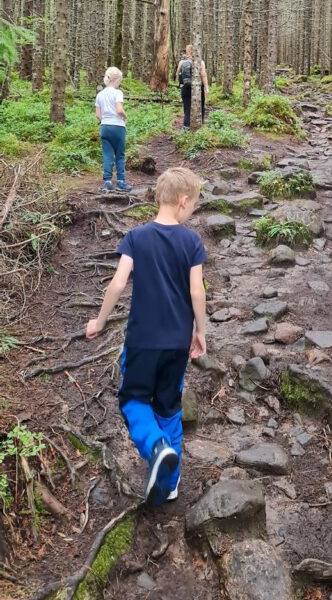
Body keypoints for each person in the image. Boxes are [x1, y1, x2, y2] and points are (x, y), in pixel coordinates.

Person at [85, 167, 207, 504]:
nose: (192, 210)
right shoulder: (192, 241)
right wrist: (201, 331)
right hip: (177, 344)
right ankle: (171, 482)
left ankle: (155, 446)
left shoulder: (136, 237)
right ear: (183, 201)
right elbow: (197, 292)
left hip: (141, 342)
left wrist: (99, 320)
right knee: (169, 407)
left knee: (133, 400)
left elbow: (119, 283)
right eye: (194, 204)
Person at [95, 67, 132, 193]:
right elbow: (119, 110)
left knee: (107, 155)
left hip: (105, 127)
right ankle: (121, 182)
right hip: (118, 127)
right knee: (120, 155)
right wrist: (125, 117)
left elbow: (98, 115)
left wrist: (104, 120)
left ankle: (107, 182)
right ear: (117, 80)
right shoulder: (117, 93)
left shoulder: (100, 95)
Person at [176, 45, 209, 129]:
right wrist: (206, 87)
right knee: (200, 107)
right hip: (198, 88)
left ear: (187, 51)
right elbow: (203, 75)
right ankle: (199, 127)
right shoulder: (200, 61)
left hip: (185, 87)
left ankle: (186, 128)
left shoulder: (182, 62)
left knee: (187, 108)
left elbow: (177, 75)